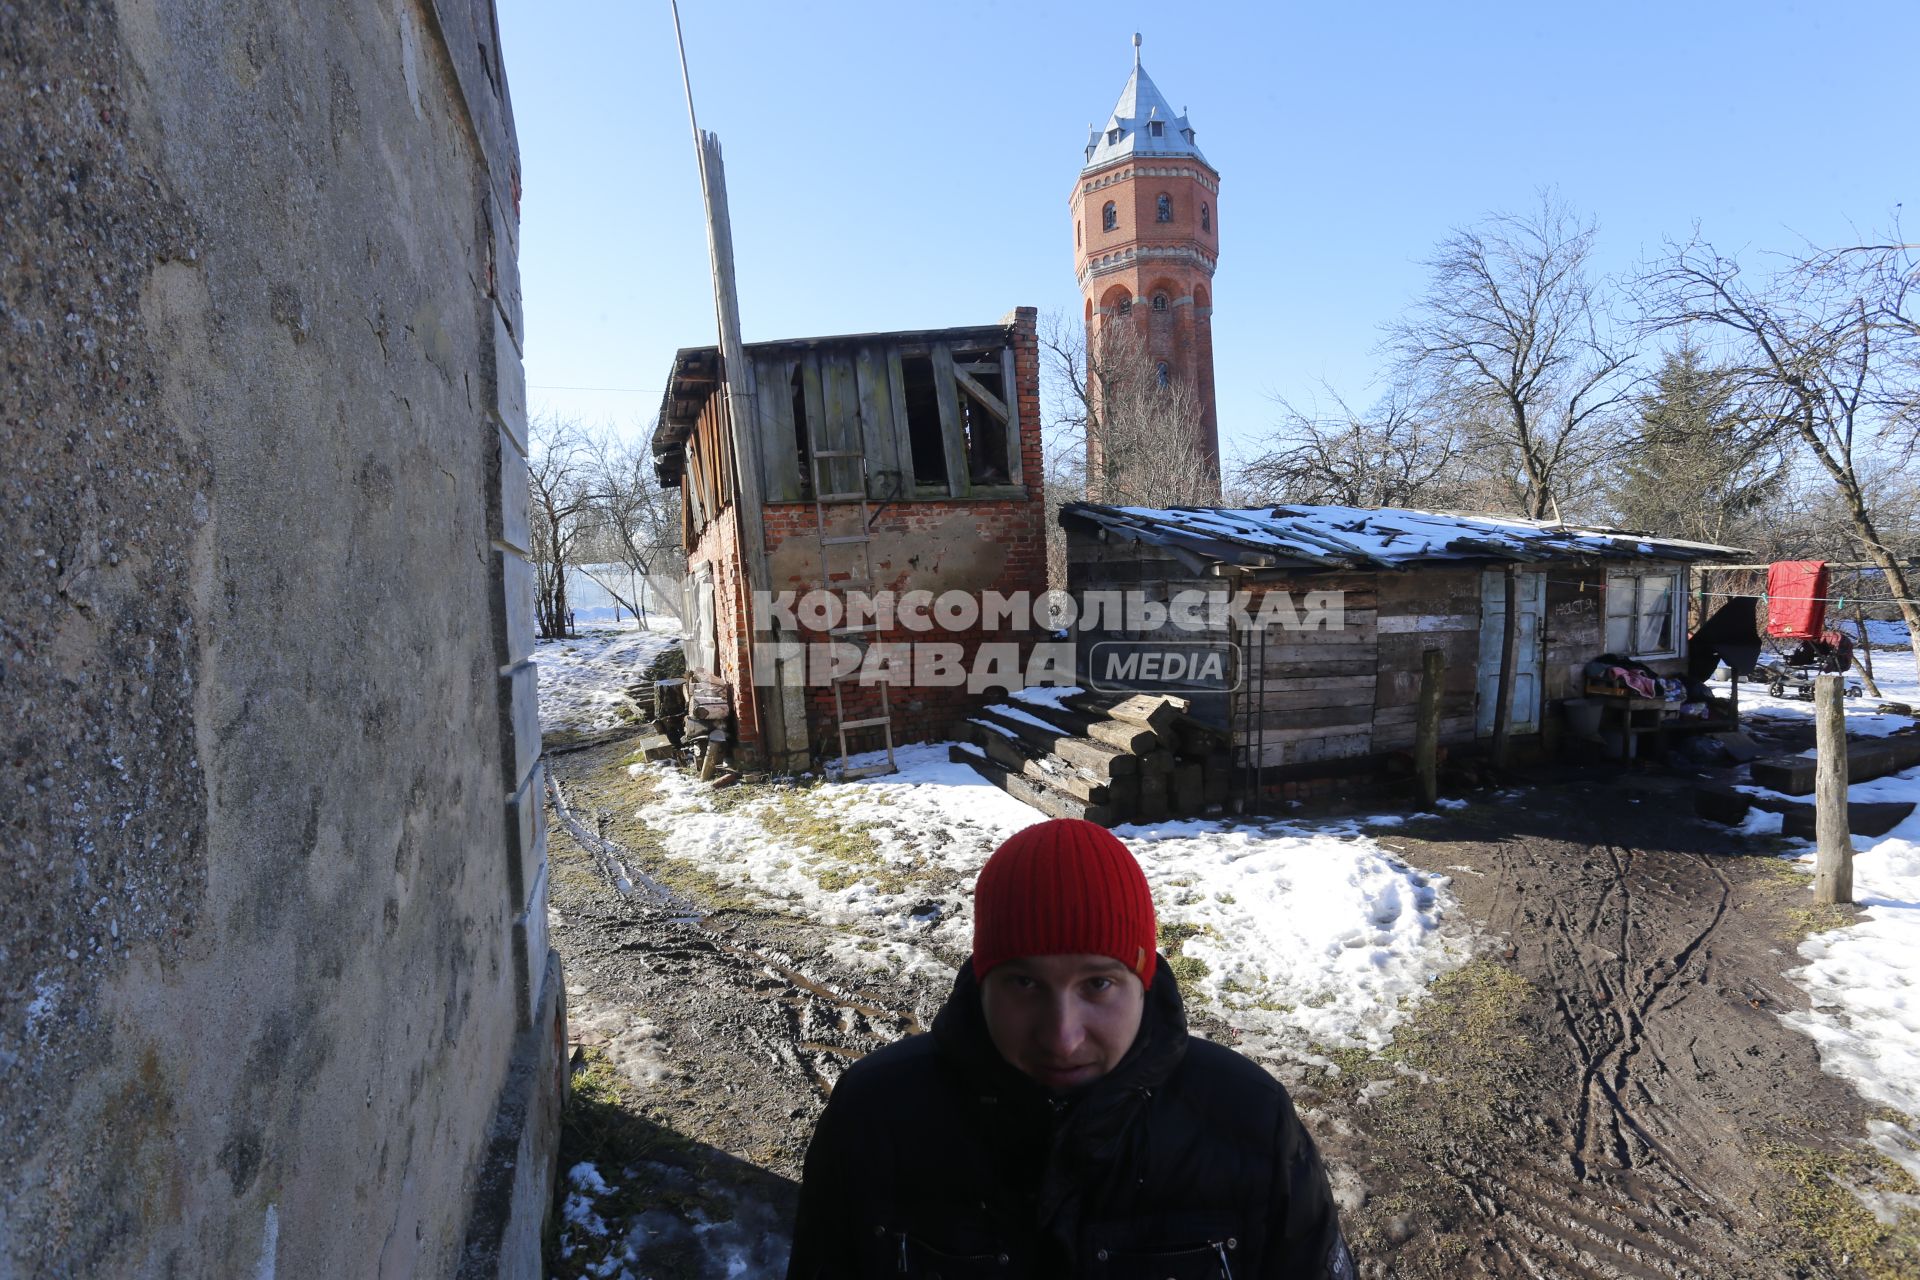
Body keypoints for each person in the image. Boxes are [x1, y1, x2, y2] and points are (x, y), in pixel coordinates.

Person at [786, 818, 1355, 1279]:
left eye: (1098, 984)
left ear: (1144, 979)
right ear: (984, 980)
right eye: (1025, 983)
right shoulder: (876, 1117)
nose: (1062, 1037)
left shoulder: (1249, 1119)